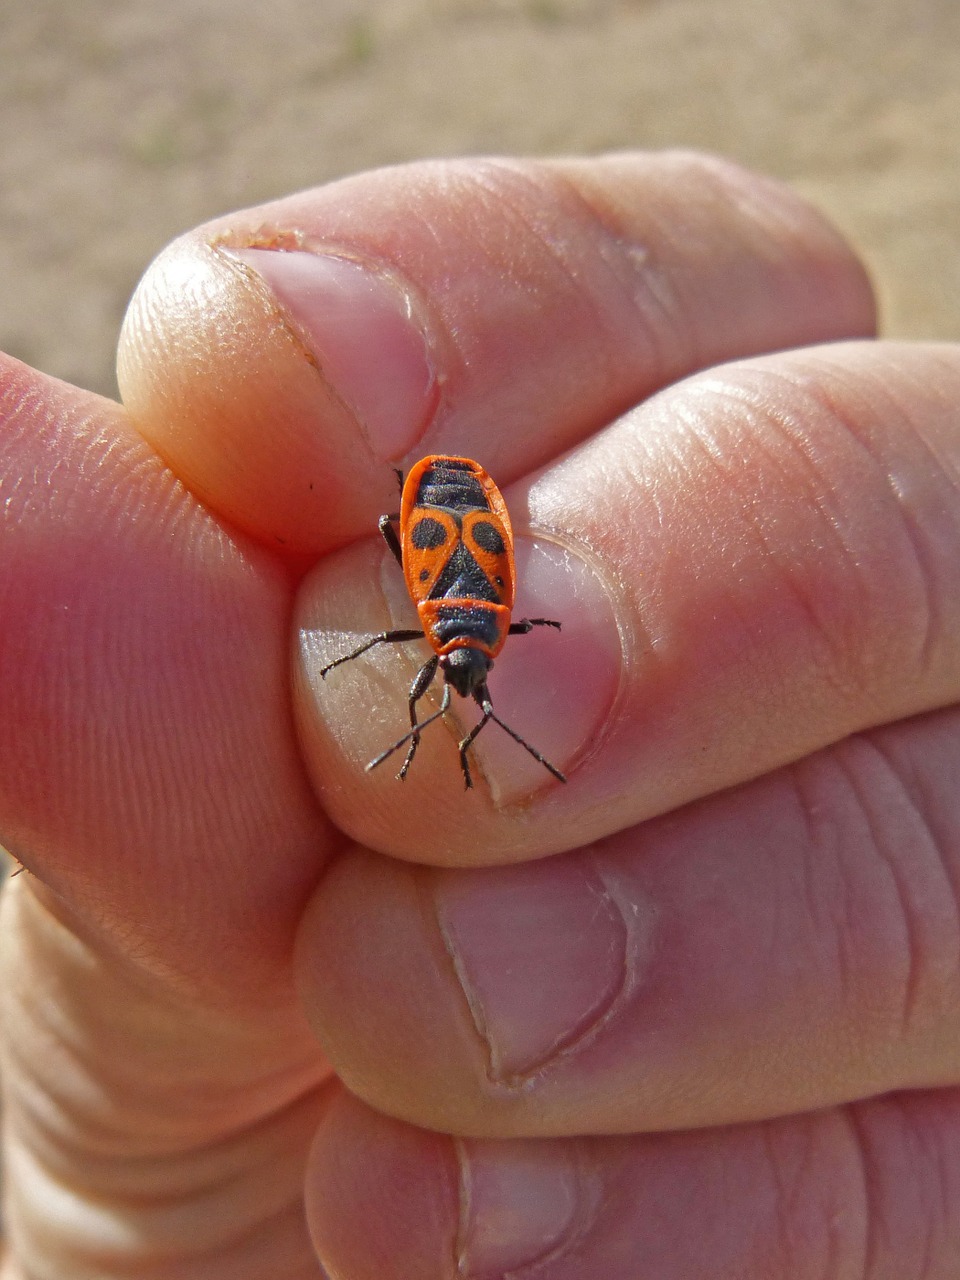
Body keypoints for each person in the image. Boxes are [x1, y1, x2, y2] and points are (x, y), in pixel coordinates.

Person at [1, 150, 958, 1279]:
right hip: (452, 531)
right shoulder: (488, 627)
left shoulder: (477, 629)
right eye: (459, 694)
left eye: (456, 695)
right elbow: (467, 580)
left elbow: (454, 573)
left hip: (443, 529)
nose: (460, 696)